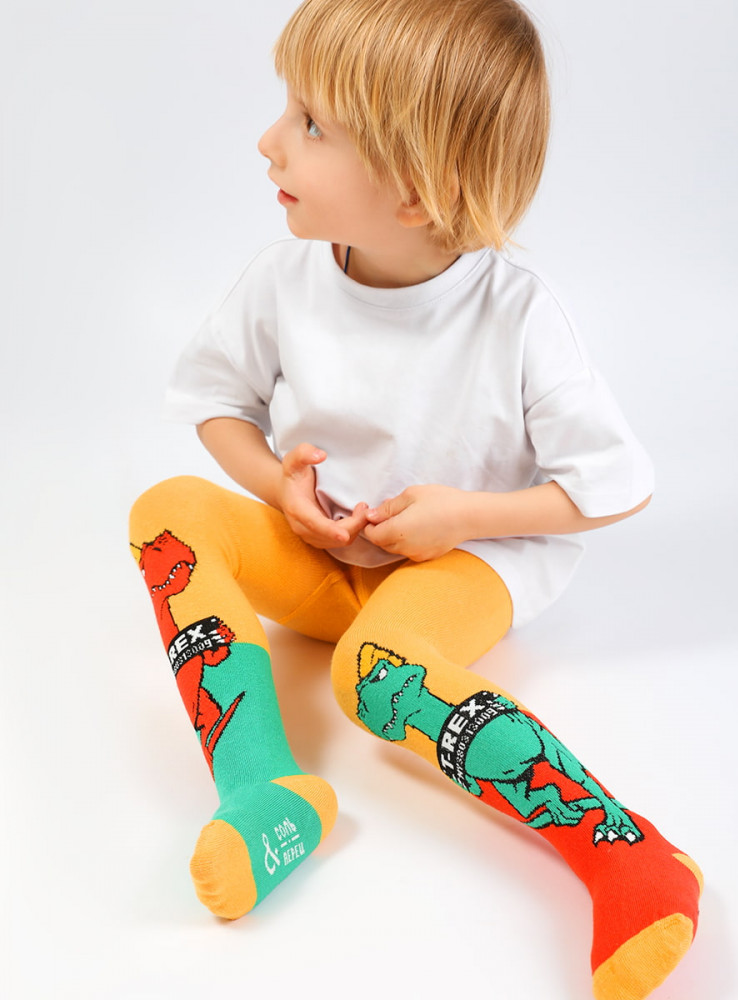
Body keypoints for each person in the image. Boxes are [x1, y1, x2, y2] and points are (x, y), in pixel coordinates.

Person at [129, 1, 701, 997]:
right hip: (326, 557)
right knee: (165, 510)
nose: (268, 140)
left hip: (458, 564)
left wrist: (463, 517)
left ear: (417, 191)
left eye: (311, 125)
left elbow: (616, 484)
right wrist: (277, 488)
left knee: (375, 672)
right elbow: (217, 403)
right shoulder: (284, 279)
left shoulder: (516, 315)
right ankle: (265, 786)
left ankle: (627, 853)